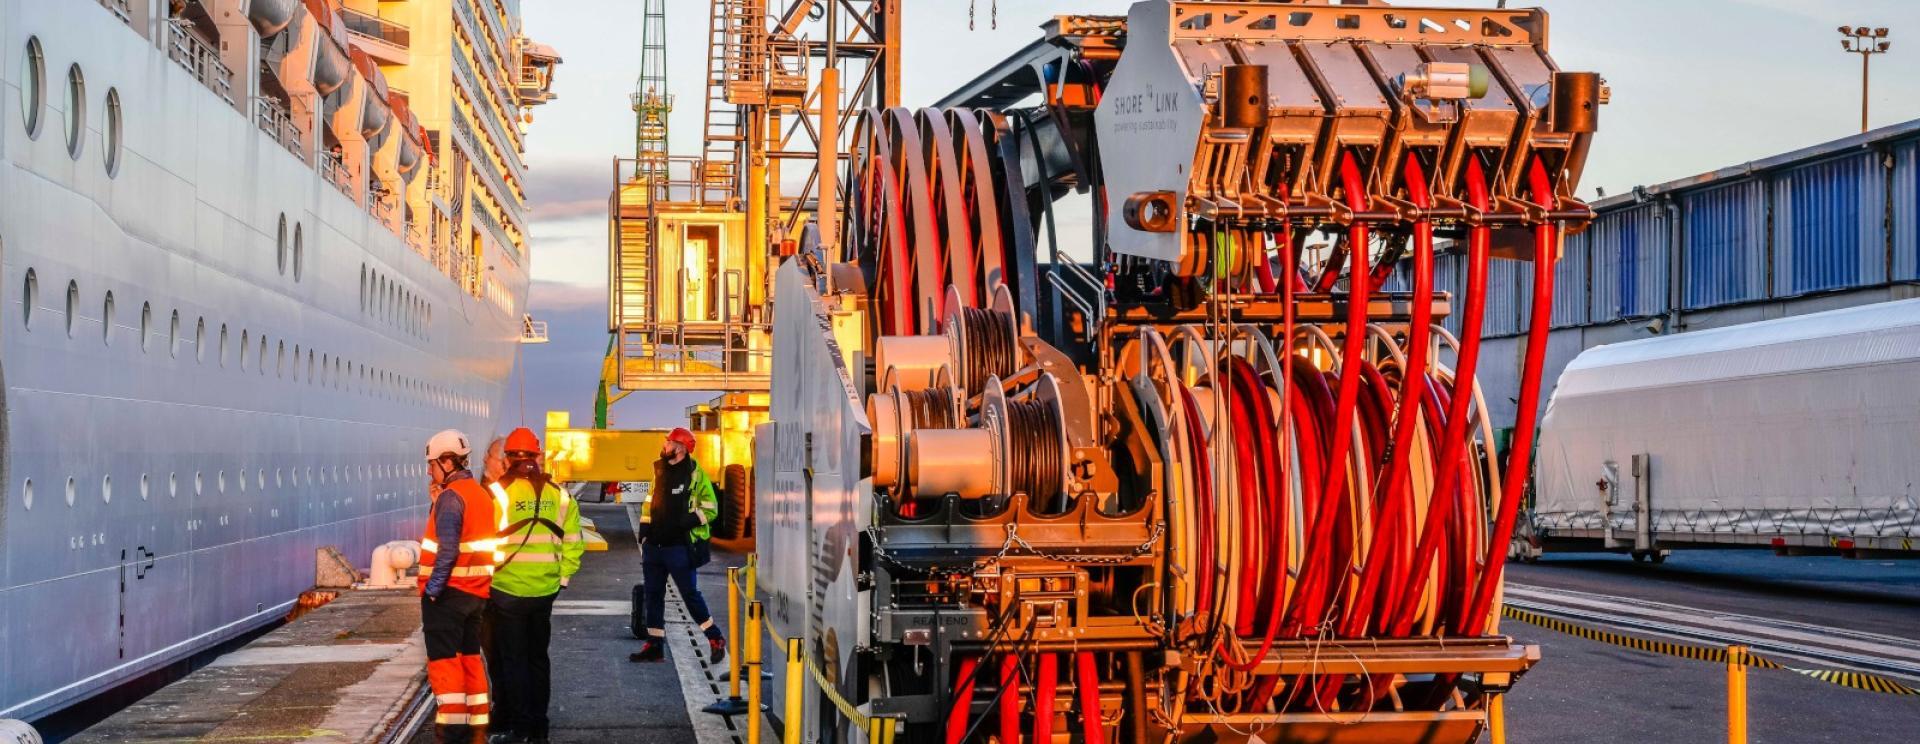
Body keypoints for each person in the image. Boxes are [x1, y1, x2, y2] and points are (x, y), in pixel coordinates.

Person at [483, 428, 583, 744]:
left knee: (512, 660)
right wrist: (561, 579)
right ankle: (539, 727)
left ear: (508, 458)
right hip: (545, 592)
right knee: (538, 659)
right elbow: (573, 542)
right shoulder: (560, 495)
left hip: (506, 590)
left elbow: (482, 544)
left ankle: (519, 728)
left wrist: (487, 580)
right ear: (537, 457)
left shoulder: (497, 494)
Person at [420, 430, 500, 743]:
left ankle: (451, 731)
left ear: (447, 461)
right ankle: (477, 727)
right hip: (476, 593)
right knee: (469, 658)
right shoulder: (479, 494)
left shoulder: (452, 498)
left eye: (432, 464)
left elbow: (448, 549)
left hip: (449, 594)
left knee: (444, 664)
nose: (429, 470)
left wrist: (432, 590)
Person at [630, 427, 725, 663]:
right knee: (653, 595)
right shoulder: (659, 470)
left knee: (690, 595)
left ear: (680, 448)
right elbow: (650, 502)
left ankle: (715, 638)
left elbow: (711, 508)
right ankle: (654, 645)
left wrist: (688, 521)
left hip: (679, 548)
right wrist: (644, 532)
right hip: (655, 546)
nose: (665, 446)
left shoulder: (695, 474)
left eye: (669, 442)